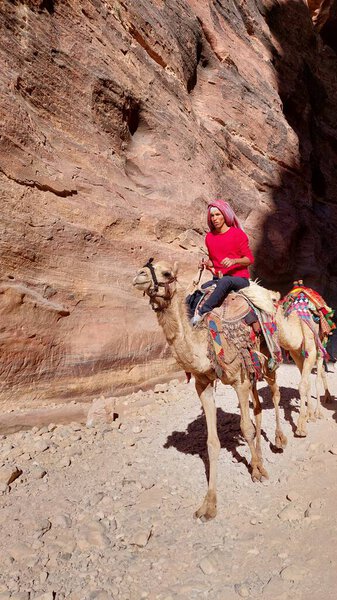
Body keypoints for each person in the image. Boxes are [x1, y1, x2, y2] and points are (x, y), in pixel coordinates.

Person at [192, 199, 254, 325]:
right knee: (199, 291)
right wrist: (206, 264)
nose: (214, 218)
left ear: (225, 215)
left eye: (218, 214)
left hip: (239, 279)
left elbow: (249, 259)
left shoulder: (237, 234)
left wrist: (234, 261)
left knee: (226, 281)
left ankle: (202, 312)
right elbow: (214, 262)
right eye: (212, 215)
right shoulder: (209, 237)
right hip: (219, 279)